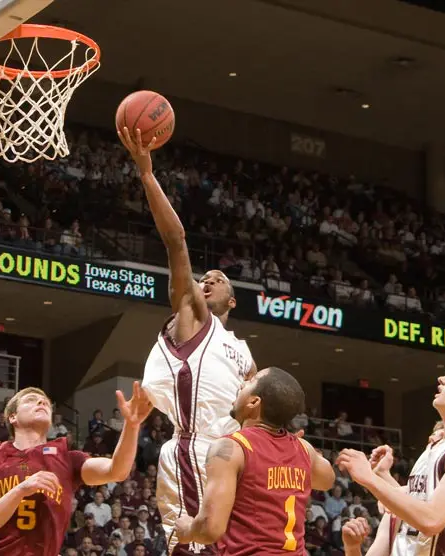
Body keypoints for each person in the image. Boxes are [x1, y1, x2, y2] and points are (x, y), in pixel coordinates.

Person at [121, 126, 256, 555]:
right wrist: (147, 173)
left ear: (233, 300)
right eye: (204, 279)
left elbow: (257, 409)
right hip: (194, 449)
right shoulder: (193, 318)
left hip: (236, 455)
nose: (208, 279)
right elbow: (176, 241)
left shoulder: (243, 350)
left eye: (219, 279)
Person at [335, 354, 445, 556]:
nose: (441, 379)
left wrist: (369, 478)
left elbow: (431, 520)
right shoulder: (435, 447)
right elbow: (407, 504)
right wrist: (353, 547)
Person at [0, 384, 153, 555]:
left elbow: (117, 471)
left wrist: (132, 425)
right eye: (31, 399)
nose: (41, 401)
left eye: (46, 402)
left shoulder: (68, 459)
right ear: (12, 417)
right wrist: (21, 490)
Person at [173, 367, 335, 554]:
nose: (242, 384)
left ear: (254, 402)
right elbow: (327, 480)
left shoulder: (231, 447)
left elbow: (210, 529)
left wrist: (187, 530)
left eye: (249, 382)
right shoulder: (303, 449)